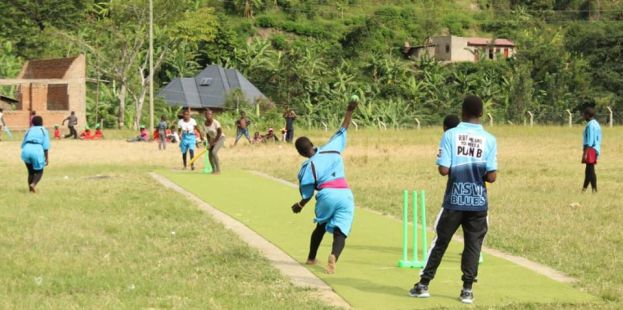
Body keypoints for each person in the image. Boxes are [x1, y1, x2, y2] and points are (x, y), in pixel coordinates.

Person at [409, 95, 497, 305]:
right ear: (482, 114)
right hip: (478, 202)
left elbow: (443, 169)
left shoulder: (451, 135)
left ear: (462, 112)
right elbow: (492, 177)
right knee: (473, 245)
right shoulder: (490, 139)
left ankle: (423, 284)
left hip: (454, 200)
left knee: (440, 242)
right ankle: (467, 290)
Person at [291, 99, 358, 274]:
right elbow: (344, 128)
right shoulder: (332, 147)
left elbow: (307, 194)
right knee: (341, 230)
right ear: (312, 145)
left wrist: (300, 205)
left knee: (320, 226)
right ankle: (334, 255)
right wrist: (349, 110)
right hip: (345, 193)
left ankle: (312, 257)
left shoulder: (307, 168)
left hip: (326, 194)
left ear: (301, 153)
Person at [21, 115, 50, 193]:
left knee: (30, 172)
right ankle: (33, 184)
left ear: (32, 123)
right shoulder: (44, 130)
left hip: (26, 149)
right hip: (36, 149)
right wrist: (46, 158)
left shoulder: (29, 130)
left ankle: (30, 191)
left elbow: (23, 143)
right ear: (42, 122)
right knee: (39, 171)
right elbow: (46, 146)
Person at [581, 107, 601, 193]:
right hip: (595, 148)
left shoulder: (590, 125)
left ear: (588, 115)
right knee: (588, 170)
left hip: (590, 149)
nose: (583, 116)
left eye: (584, 115)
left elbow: (590, 140)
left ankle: (594, 189)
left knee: (590, 170)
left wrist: (585, 152)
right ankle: (585, 189)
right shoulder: (596, 124)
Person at [204, 109, 225, 174]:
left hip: (220, 138)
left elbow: (219, 132)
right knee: (209, 155)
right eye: (207, 114)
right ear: (205, 115)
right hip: (212, 139)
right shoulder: (204, 124)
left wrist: (214, 142)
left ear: (212, 115)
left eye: (210, 114)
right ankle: (213, 169)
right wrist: (209, 143)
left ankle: (218, 170)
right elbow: (207, 134)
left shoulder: (216, 122)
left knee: (214, 152)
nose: (208, 116)